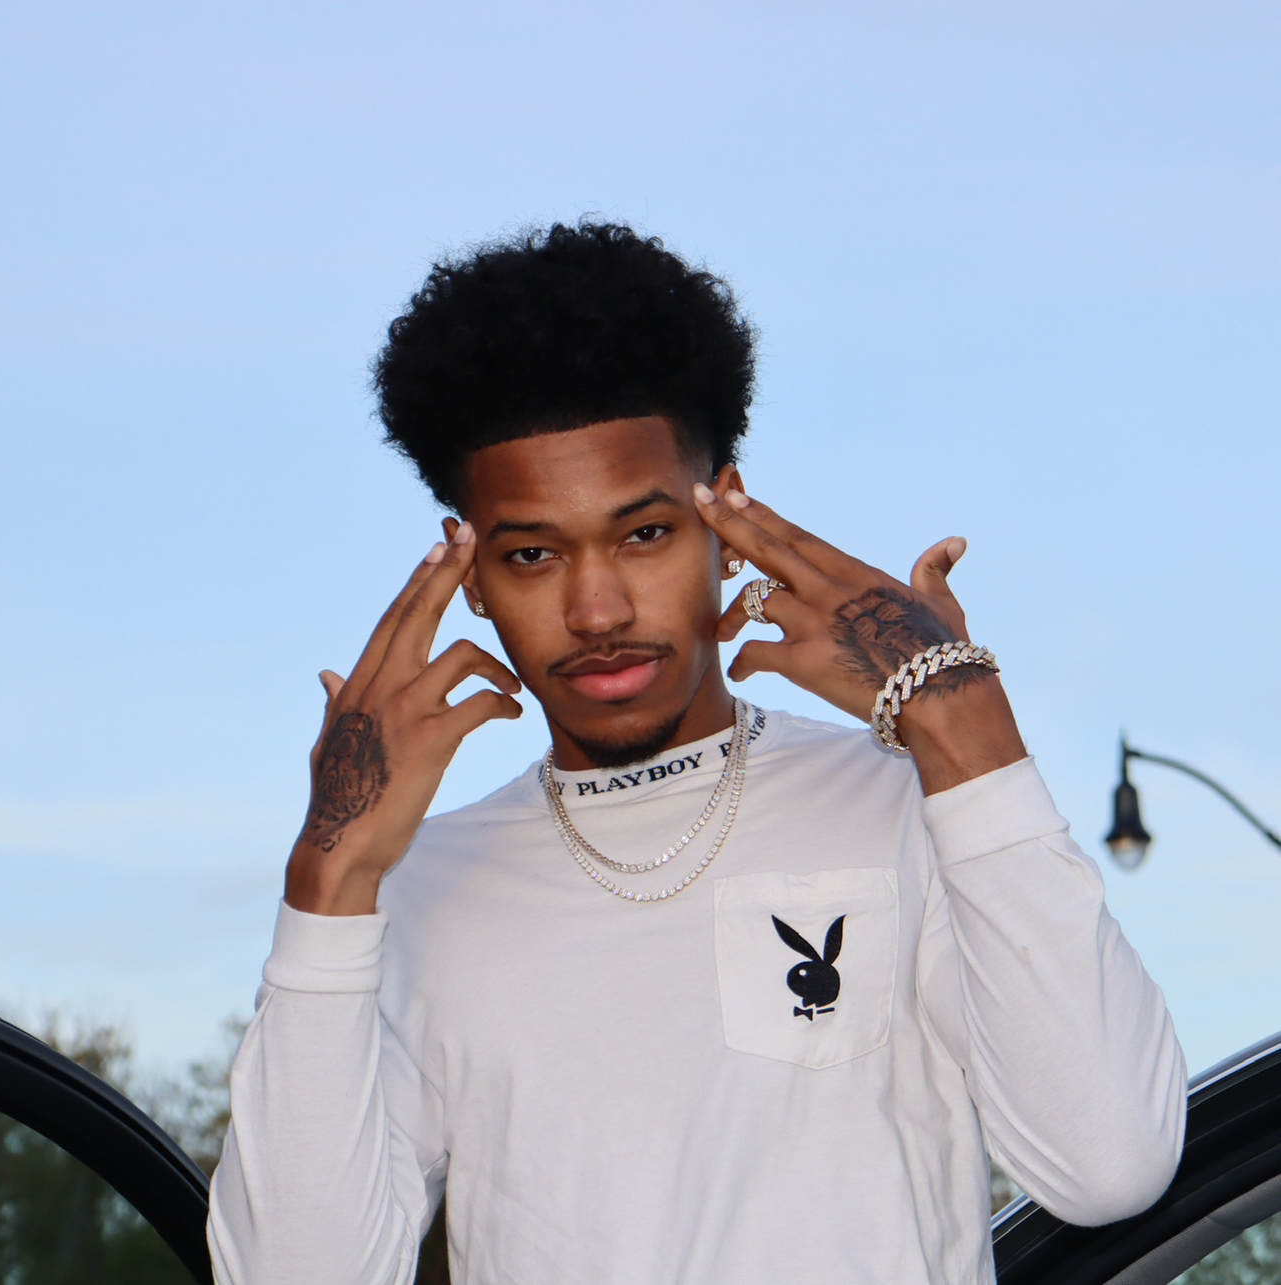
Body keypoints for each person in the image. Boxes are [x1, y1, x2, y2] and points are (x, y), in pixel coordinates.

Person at [207, 222, 1186, 1285]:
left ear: (725, 522)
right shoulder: (415, 891)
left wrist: (964, 723)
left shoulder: (910, 804)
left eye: (644, 534)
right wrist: (328, 882)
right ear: (472, 578)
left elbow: (1110, 1164)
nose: (596, 609)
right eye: (532, 554)